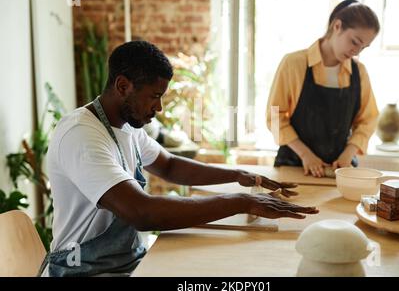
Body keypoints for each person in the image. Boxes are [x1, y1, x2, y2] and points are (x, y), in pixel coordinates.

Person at [39, 41, 318, 277]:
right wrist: (242, 201)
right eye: (154, 96)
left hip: (125, 263)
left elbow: (170, 165)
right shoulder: (82, 135)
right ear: (123, 86)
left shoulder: (126, 127)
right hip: (82, 271)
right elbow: (142, 213)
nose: (158, 108)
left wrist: (237, 176)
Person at [266, 0, 380, 177]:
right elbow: (274, 118)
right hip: (294, 167)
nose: (356, 52)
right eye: (354, 42)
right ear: (337, 26)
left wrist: (348, 153)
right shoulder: (294, 64)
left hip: (340, 171)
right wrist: (306, 154)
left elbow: (368, 120)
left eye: (363, 47)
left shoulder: (359, 72)